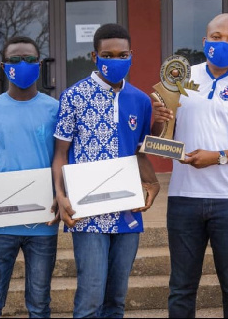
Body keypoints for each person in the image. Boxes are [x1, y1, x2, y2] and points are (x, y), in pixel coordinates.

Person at [152, 13, 228, 318]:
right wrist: (158, 121)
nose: (223, 43)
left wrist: (217, 156)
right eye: (216, 37)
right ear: (205, 41)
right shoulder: (181, 79)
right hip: (183, 198)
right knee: (181, 287)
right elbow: (159, 138)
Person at [52, 23, 160, 318]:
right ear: (94, 56)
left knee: (116, 299)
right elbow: (60, 154)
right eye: (107, 55)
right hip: (87, 214)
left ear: (131, 55)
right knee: (90, 298)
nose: (115, 60)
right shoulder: (73, 97)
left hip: (127, 210)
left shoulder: (140, 100)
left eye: (122, 54)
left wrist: (152, 181)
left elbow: (140, 151)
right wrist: (60, 196)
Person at [0, 36, 60, 318]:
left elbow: (62, 160)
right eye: (15, 60)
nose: (23, 64)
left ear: (39, 65)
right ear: (3, 66)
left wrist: (61, 196)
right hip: (0, 222)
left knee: (39, 305)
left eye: (30, 59)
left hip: (42, 222)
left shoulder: (55, 110)